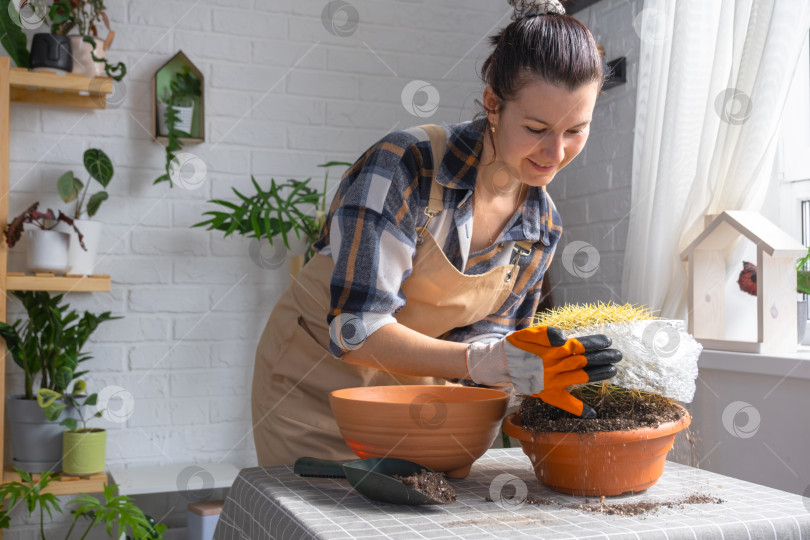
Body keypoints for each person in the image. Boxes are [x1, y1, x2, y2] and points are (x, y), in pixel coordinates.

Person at [251, 0, 623, 466]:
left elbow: (484, 347)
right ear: (493, 103)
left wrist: (526, 372)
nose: (555, 151)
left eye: (576, 130)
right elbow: (354, 329)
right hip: (315, 388)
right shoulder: (405, 166)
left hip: (419, 395)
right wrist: (482, 361)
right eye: (536, 128)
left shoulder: (540, 227)